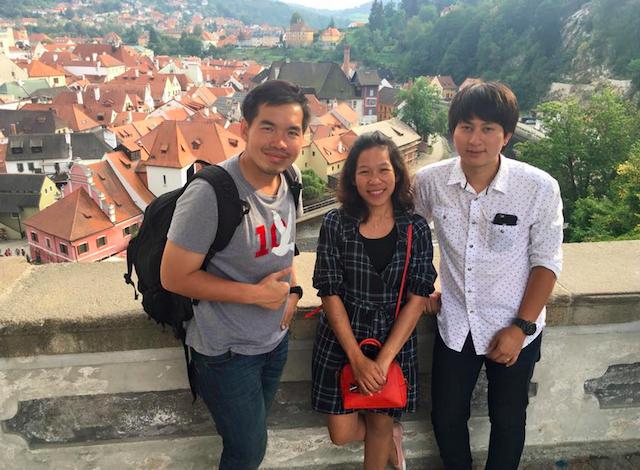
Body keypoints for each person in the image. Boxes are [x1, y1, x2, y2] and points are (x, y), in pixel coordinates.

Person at [160, 80, 309, 470]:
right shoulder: (212, 193)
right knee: (247, 451)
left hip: (274, 341)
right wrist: (255, 296)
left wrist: (292, 291)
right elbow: (173, 277)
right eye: (268, 127)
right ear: (244, 129)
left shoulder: (290, 179)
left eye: (292, 132)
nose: (280, 142)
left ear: (303, 138)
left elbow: (285, 247)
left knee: (251, 442)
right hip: (226, 353)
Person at [415, 81, 563, 470]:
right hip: (456, 323)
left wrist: (520, 327)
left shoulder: (538, 188)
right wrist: (422, 288)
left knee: (509, 418)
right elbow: (408, 237)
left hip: (514, 323)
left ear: (506, 135)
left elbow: (546, 262)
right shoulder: (430, 182)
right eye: (466, 127)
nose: (475, 139)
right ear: (453, 130)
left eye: (487, 128)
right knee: (446, 416)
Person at [312, 131, 438, 470]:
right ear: (353, 178)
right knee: (341, 434)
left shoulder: (415, 228)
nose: (375, 180)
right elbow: (329, 292)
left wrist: (382, 362)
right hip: (342, 340)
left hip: (392, 339)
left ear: (397, 173)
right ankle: (392, 435)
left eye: (383, 170)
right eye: (364, 171)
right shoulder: (336, 224)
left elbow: (417, 298)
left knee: (380, 425)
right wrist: (357, 359)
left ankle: (387, 437)